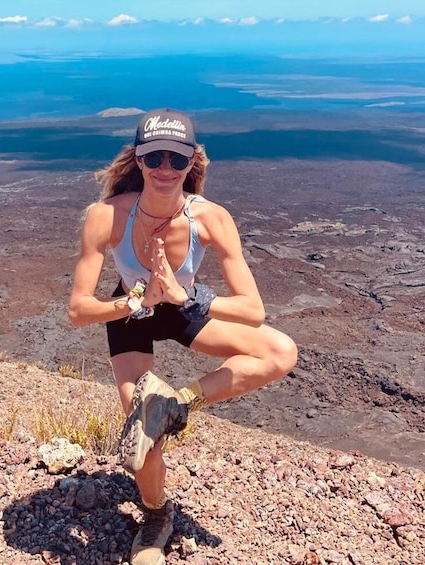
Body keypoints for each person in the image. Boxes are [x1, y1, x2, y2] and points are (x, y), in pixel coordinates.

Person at [68, 108, 298, 565]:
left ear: (193, 161)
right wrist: (139, 301)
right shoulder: (106, 216)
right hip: (130, 313)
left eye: (178, 158)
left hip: (184, 308)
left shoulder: (210, 219)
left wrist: (181, 296)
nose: (166, 169)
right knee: (143, 445)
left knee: (280, 350)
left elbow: (254, 309)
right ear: (137, 161)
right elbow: (79, 310)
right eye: (155, 159)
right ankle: (155, 515)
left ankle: (177, 403)